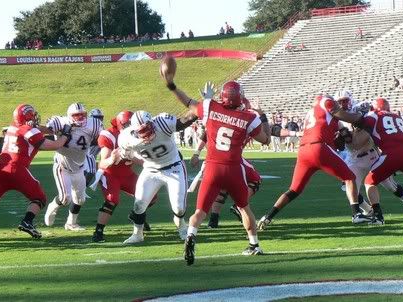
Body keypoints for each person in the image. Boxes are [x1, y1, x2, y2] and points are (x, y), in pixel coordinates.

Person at [164, 73, 271, 265]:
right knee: (244, 207)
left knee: (200, 211)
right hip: (234, 169)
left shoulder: (209, 106)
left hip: (212, 167)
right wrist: (262, 115)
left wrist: (171, 85)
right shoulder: (249, 117)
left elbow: (187, 102)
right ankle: (254, 245)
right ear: (240, 98)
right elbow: (266, 140)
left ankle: (190, 235)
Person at [0, 104, 71, 241]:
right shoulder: (28, 129)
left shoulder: (12, 127)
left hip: (0, 169)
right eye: (33, 115)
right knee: (39, 198)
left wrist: (51, 130)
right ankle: (27, 222)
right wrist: (65, 135)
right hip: (17, 169)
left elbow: (35, 130)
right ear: (28, 117)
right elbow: (54, 145)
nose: (35, 118)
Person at [257, 93, 367, 231]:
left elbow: (341, 133)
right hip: (319, 147)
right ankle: (356, 214)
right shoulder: (326, 102)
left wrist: (343, 134)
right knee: (349, 177)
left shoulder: (311, 114)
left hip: (303, 151)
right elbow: (345, 118)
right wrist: (361, 117)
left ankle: (268, 216)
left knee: (294, 189)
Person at [118, 110, 195, 244]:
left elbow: (184, 121)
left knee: (179, 207)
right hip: (150, 169)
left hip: (174, 167)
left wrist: (201, 106)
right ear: (134, 130)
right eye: (142, 131)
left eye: (148, 128)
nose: (146, 133)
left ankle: (181, 224)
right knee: (139, 204)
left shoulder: (162, 122)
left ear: (152, 123)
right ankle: (138, 234)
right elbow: (126, 154)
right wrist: (131, 157)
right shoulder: (126, 138)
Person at [43, 103, 102, 231]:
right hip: (62, 167)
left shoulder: (93, 124)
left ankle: (71, 223)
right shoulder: (61, 122)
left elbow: (102, 137)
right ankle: (52, 206)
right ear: (70, 116)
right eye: (76, 115)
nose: (80, 117)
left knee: (80, 199)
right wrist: (37, 127)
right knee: (65, 199)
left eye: (82, 114)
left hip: (79, 168)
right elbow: (45, 130)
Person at [90, 111, 147, 242]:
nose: (128, 126)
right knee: (112, 200)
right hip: (110, 174)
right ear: (119, 123)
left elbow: (141, 158)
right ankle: (98, 231)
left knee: (150, 196)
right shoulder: (109, 135)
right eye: (125, 124)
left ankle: (135, 216)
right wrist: (112, 159)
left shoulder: (138, 133)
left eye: (130, 124)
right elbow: (102, 163)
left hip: (126, 173)